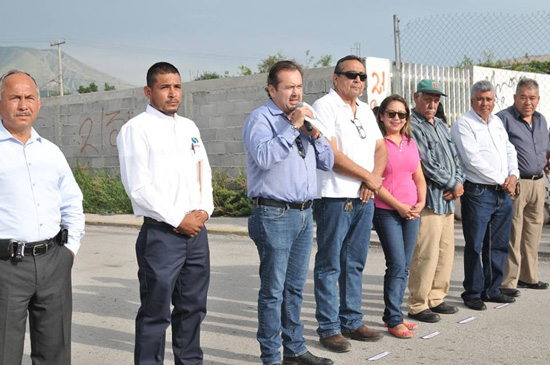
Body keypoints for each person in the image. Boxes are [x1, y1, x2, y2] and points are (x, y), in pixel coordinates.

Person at [117, 62, 214, 365]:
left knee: (193, 308)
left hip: (196, 233)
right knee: (155, 313)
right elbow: (138, 187)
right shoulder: (136, 129)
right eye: (164, 87)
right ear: (149, 91)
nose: (173, 94)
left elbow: (204, 173)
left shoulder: (189, 127)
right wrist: (178, 219)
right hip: (162, 234)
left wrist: (205, 211)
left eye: (177, 86)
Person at [243, 60, 334, 365]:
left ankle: (294, 349)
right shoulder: (261, 119)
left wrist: (314, 132)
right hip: (274, 214)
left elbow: (328, 162)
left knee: (294, 287)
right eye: (288, 87)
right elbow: (265, 157)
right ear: (272, 89)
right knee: (273, 291)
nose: (296, 93)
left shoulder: (306, 119)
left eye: (299, 86)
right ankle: (271, 357)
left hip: (304, 214)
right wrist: (292, 127)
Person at [0, 70, 85, 364]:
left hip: (53, 263)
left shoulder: (51, 152)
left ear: (39, 103)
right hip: (5, 267)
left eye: (30, 97)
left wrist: (69, 250)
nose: (23, 105)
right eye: (15, 97)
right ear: (1, 102)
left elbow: (72, 202)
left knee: (55, 354)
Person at [312, 55, 387, 353]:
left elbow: (380, 148)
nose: (357, 80)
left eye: (362, 76)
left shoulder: (367, 110)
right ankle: (329, 328)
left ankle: (352, 320)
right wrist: (368, 178)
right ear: (336, 78)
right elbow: (331, 155)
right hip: (335, 197)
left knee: (354, 262)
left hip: (364, 196)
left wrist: (373, 180)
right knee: (330, 264)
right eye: (351, 74)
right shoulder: (324, 106)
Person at [451, 80, 519, 311]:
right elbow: (472, 160)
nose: (484, 103)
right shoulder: (464, 124)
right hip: (479, 192)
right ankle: (472, 292)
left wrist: (513, 175)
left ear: (494, 100)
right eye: (480, 99)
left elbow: (509, 149)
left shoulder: (497, 122)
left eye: (489, 99)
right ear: (472, 101)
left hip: (502, 193)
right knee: (476, 245)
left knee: (498, 245)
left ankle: (492, 289)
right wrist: (502, 179)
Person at [407, 80, 464, 323]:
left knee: (445, 251)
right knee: (425, 253)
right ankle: (418, 304)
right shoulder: (412, 125)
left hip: (448, 200)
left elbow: (455, 158)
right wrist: (454, 184)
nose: (432, 104)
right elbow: (426, 164)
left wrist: (458, 183)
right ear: (416, 97)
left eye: (436, 100)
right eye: (427, 98)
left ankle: (436, 298)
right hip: (430, 199)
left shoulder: (440, 125)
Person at [373, 95, 426, 339]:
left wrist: (421, 202)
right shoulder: (378, 143)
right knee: (396, 264)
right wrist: (399, 206)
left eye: (401, 114)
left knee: (404, 266)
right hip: (387, 211)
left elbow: (418, 177)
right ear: (382, 116)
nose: (397, 118)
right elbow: (375, 182)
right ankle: (393, 319)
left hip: (412, 211)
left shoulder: (410, 142)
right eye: (391, 113)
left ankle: (395, 313)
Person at [498, 78, 549, 295]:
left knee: (532, 233)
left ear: (538, 99)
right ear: (515, 98)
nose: (528, 102)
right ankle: (509, 281)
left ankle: (529, 277)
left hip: (538, 183)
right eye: (523, 97)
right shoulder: (504, 119)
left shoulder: (541, 120)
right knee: (513, 233)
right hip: (517, 184)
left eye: (532, 97)